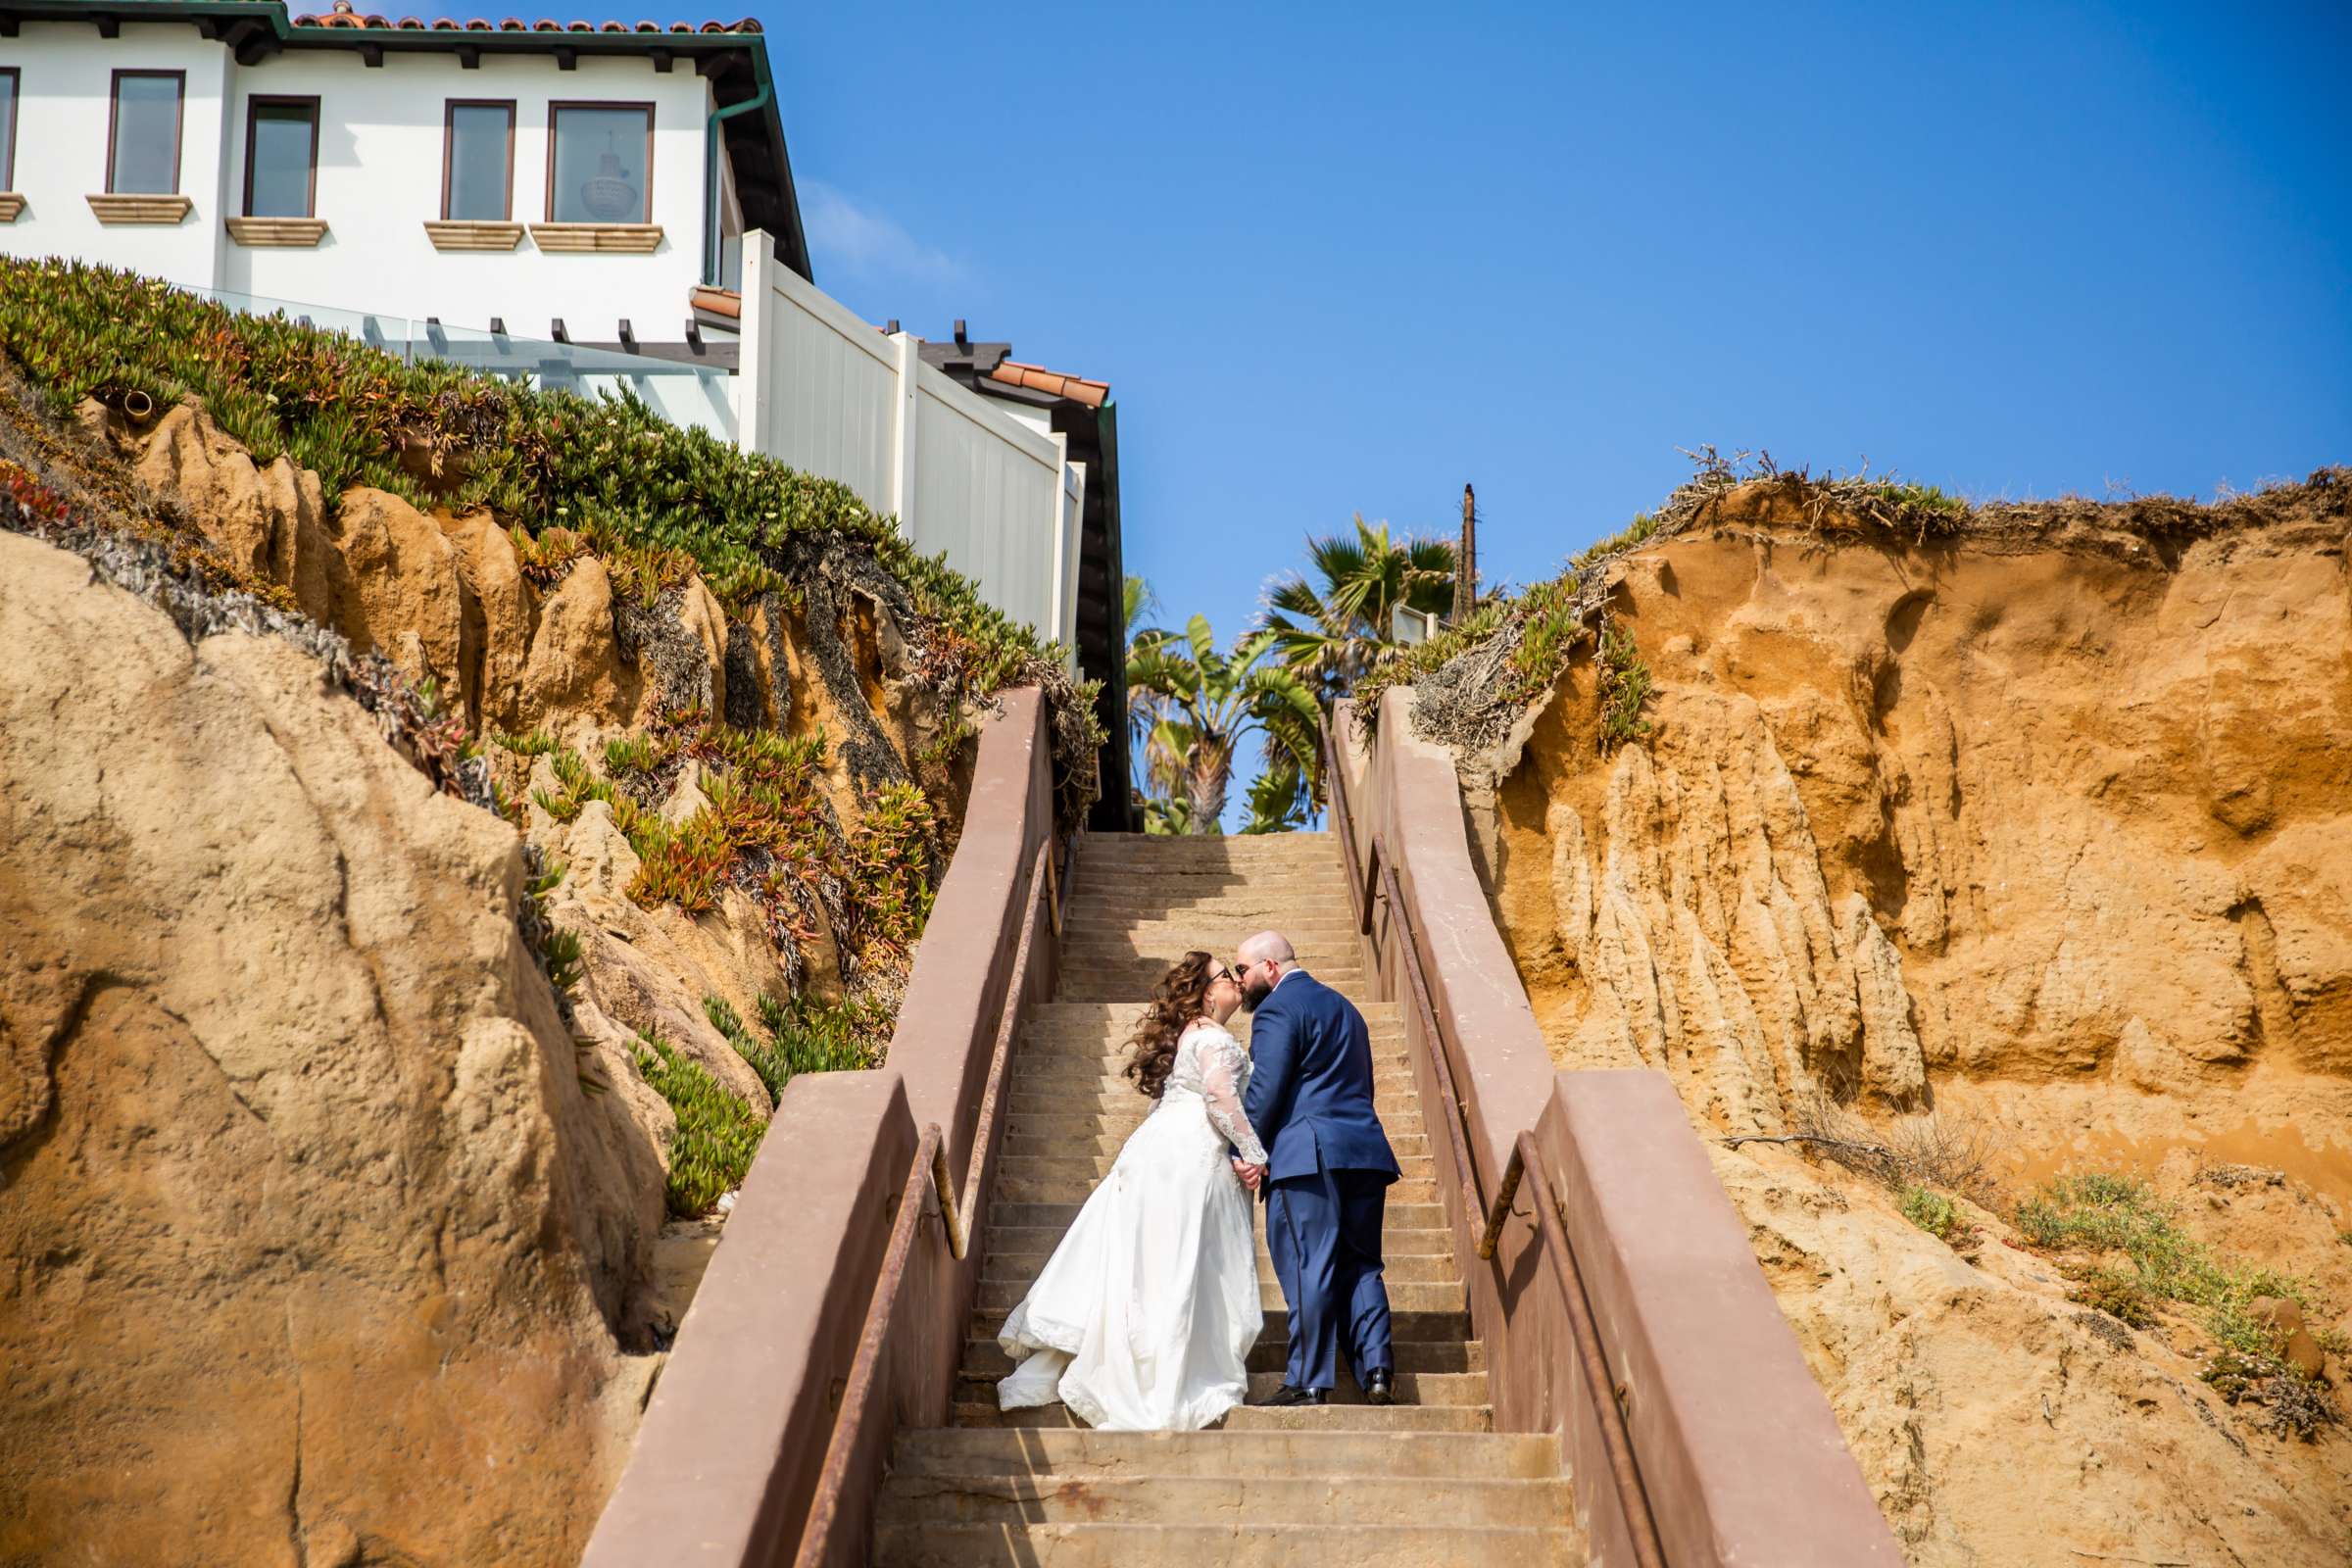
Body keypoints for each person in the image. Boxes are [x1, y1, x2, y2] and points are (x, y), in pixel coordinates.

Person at [995, 952, 1267, 1431]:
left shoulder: (1191, 1035)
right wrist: (1254, 1153)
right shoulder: (1214, 1039)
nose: (1237, 982)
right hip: (1191, 1156)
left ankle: (1143, 1352)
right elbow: (1221, 1097)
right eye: (1228, 975)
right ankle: (1165, 1370)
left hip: (1159, 1150)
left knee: (1150, 1261)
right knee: (1180, 1261)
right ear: (1208, 991)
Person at [1231, 929, 1399, 1407]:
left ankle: (1308, 1379)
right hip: (1364, 1152)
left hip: (1308, 1158)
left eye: (1242, 970)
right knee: (1362, 1264)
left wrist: (1245, 1150)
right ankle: (1377, 1370)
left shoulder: (1278, 1009)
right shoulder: (1347, 1008)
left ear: (1270, 967)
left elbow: (1267, 1089)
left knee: (1310, 1264)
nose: (1239, 982)